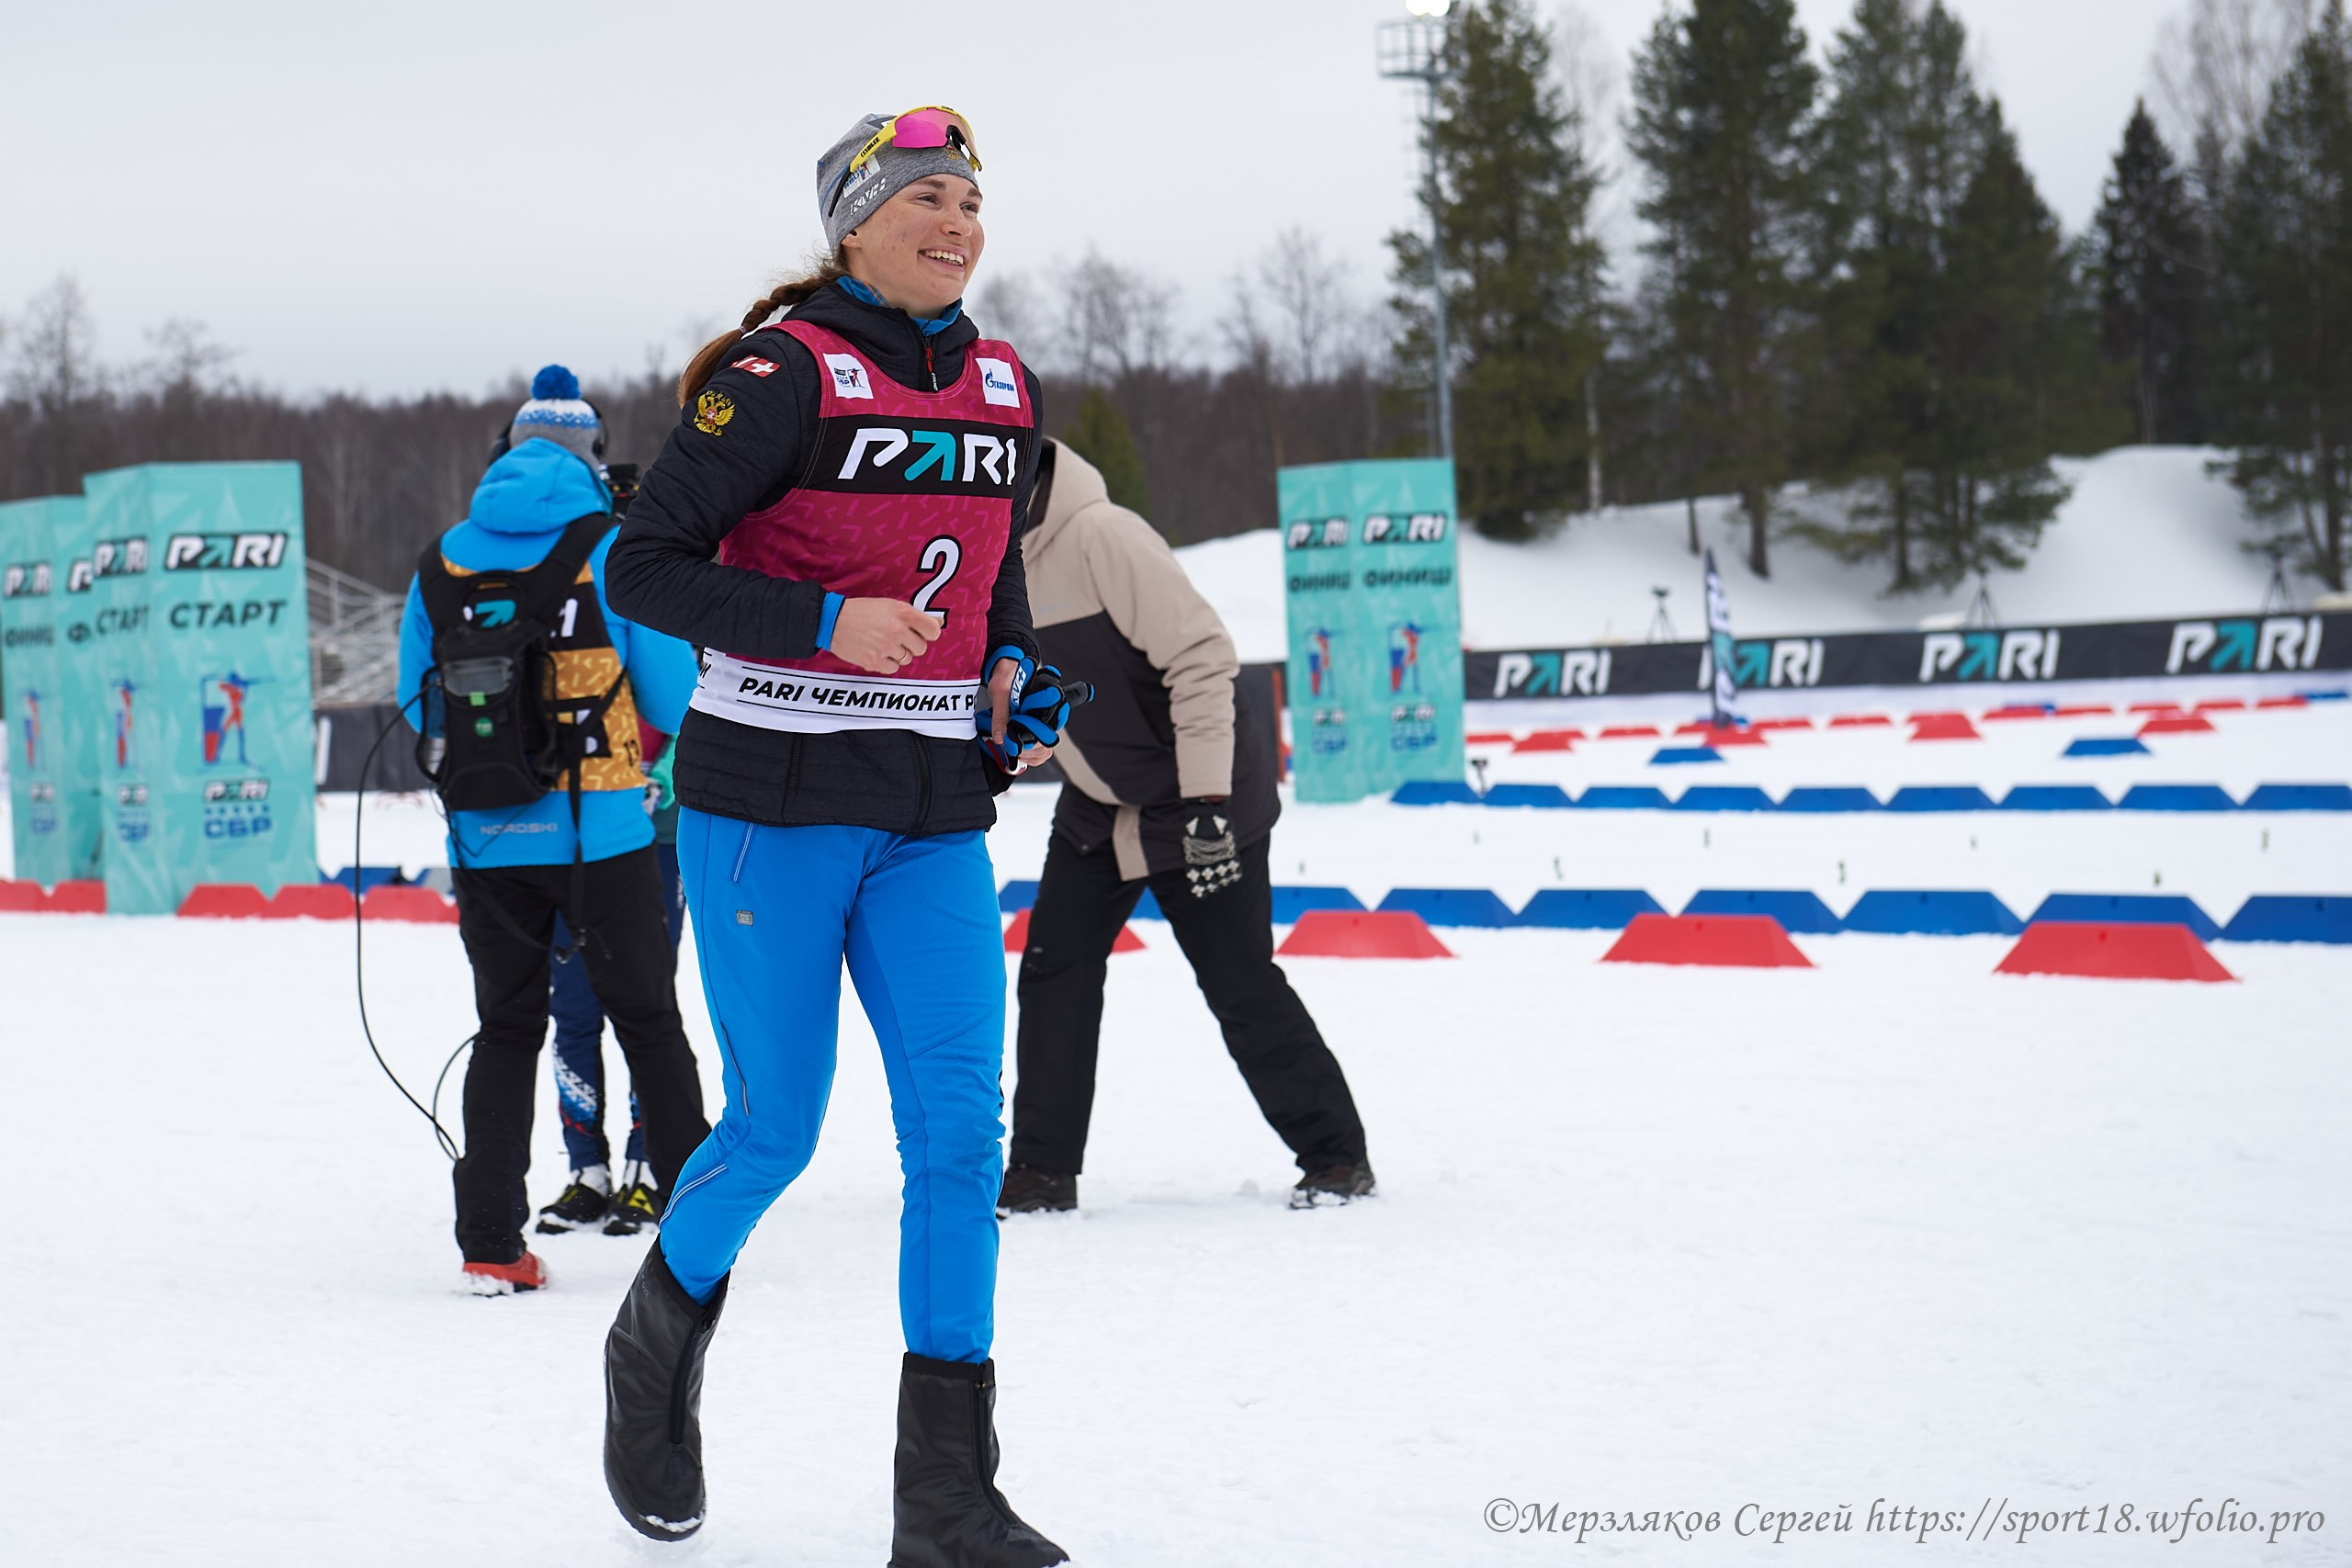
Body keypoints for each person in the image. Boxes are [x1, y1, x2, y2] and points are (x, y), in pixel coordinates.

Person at [596, 107, 1072, 1563]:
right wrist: (825, 623)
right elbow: (645, 564)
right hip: (770, 809)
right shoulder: (781, 375)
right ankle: (654, 1341)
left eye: (972, 202)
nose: (958, 221)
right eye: (926, 196)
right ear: (852, 224)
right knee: (774, 1129)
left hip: (929, 811)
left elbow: (987, 579)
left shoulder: (1004, 383)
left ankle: (946, 1497)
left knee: (956, 1135)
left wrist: (1013, 671)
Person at [396, 366, 709, 1296]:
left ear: (503, 454)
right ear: (592, 459)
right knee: (650, 1025)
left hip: (485, 843)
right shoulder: (614, 550)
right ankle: (699, 1231)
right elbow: (673, 698)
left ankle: (491, 1243)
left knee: (505, 1032)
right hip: (603, 834)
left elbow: (419, 711)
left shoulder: (439, 560)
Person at [999, 440, 1374, 1215]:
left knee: (1237, 979)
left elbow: (1204, 658)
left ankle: (1337, 1156)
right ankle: (1041, 1170)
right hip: (1102, 800)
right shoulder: (983, 566)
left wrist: (1206, 804)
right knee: (1053, 968)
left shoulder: (1104, 536)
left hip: (1202, 793)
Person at [534, 728, 683, 1237]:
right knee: (573, 1010)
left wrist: (658, 780)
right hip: (565, 834)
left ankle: (648, 1168)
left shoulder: (674, 646)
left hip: (654, 834)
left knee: (646, 1012)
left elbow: (697, 700)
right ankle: (586, 1172)